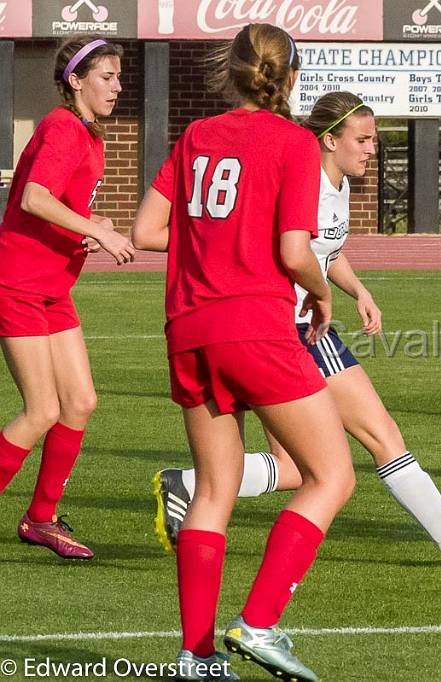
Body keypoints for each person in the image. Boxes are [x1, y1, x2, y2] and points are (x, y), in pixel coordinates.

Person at [152, 90, 441, 571]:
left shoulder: (338, 184)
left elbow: (326, 250)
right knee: (381, 436)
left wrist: (357, 290)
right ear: (329, 140)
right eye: (363, 139)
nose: (372, 149)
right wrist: (319, 292)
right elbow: (294, 251)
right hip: (293, 330)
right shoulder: (304, 177)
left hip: (291, 326)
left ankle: (186, 483)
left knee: (291, 467)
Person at [132, 24, 356, 682]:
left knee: (215, 491)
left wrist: (212, 244)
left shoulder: (196, 138)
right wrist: (321, 293)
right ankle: (258, 624)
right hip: (253, 326)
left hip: (189, 328)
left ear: (228, 72)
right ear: (291, 77)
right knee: (332, 475)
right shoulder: (293, 143)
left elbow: (147, 231)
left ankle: (195, 656)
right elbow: (293, 253)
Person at [0, 35, 135, 561]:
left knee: (79, 403)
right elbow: (33, 197)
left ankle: (41, 519)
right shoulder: (62, 125)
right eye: (107, 77)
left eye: (120, 78)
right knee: (40, 410)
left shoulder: (87, 133)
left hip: (54, 286)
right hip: (19, 283)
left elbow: (57, 202)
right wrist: (98, 231)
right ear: (75, 81)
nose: (117, 87)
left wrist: (89, 223)